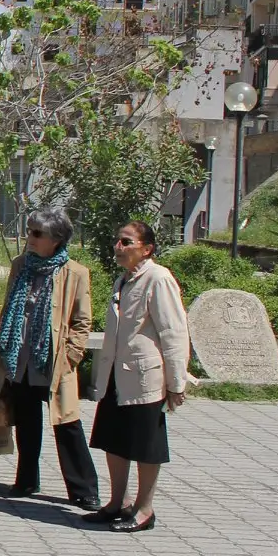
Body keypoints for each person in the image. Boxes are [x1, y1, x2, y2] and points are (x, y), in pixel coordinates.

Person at [0, 208, 100, 511]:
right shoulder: (20, 265)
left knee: (67, 425)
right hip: (19, 358)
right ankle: (26, 480)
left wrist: (72, 355)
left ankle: (84, 491)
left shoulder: (75, 273)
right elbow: (8, 307)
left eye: (37, 233)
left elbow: (82, 321)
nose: (30, 238)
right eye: (29, 230)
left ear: (56, 240)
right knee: (27, 421)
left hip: (53, 362)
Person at [85, 220, 191, 533]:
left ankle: (145, 510)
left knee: (146, 445)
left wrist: (176, 383)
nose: (119, 247)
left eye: (127, 242)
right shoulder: (124, 279)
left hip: (147, 378)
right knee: (113, 440)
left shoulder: (159, 279)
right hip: (118, 375)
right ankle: (119, 502)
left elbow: (173, 332)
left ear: (147, 249)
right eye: (118, 241)